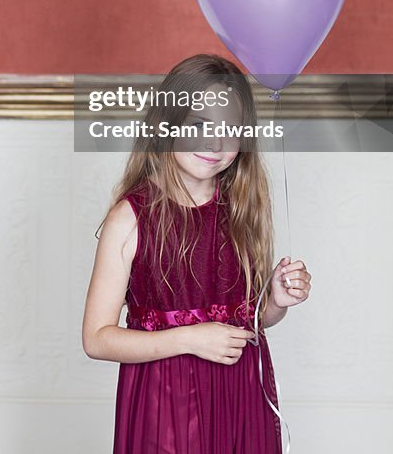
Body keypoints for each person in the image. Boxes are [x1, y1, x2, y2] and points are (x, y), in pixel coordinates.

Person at [82, 53, 312, 453]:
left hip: (239, 398)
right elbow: (97, 339)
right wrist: (189, 339)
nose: (215, 143)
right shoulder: (131, 218)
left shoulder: (241, 209)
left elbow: (249, 322)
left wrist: (275, 301)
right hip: (166, 406)